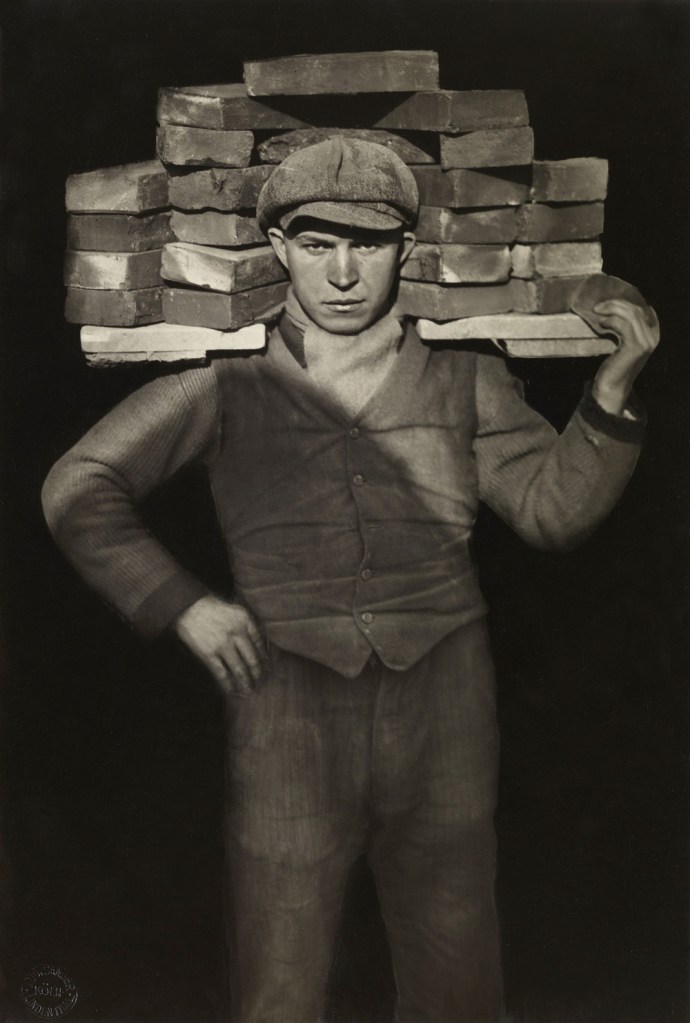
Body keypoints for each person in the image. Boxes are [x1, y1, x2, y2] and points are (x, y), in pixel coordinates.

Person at [42, 138, 659, 1023]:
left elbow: (553, 513)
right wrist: (184, 605)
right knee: (281, 976)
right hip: (285, 705)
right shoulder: (227, 384)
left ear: (405, 252)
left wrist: (610, 393)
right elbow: (77, 486)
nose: (341, 272)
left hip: (443, 701)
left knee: (456, 975)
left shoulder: (465, 377)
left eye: (366, 245)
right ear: (281, 248)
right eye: (317, 242)